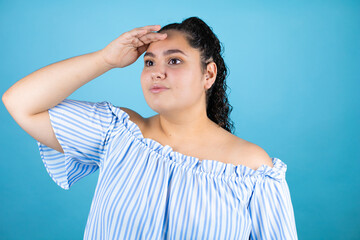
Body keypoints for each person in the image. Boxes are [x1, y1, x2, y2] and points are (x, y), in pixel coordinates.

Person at [2, 16, 298, 239]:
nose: (158, 71)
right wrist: (105, 59)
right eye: (148, 62)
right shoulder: (117, 132)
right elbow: (20, 102)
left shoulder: (253, 170)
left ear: (208, 74)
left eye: (174, 60)